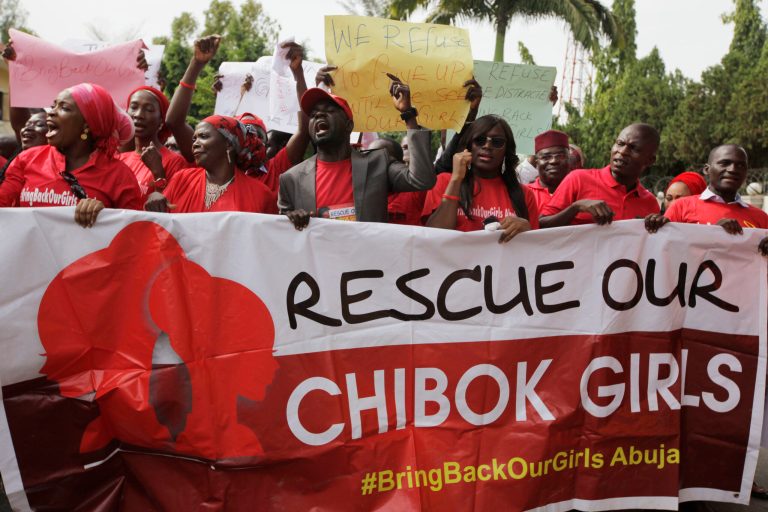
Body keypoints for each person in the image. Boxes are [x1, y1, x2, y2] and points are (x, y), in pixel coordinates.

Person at [279, 78, 435, 228]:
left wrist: (408, 115)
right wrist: (292, 219)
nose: (319, 115)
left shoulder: (378, 163)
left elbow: (421, 180)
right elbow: (280, 233)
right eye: (313, 115)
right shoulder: (291, 179)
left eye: (329, 111)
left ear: (349, 126)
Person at [165, 35, 310, 195]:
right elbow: (174, 122)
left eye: (258, 135)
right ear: (230, 143)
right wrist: (196, 64)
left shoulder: (276, 168)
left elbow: (303, 131)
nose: (251, 141)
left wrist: (298, 74)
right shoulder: (214, 166)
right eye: (243, 133)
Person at [0, 83, 142, 226]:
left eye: (64, 108)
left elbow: (133, 232)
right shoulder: (27, 159)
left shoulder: (119, 176)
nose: (51, 112)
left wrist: (106, 216)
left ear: (87, 124)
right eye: (54, 105)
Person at [423, 115, 538, 243]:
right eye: (480, 140)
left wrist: (527, 229)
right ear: (469, 145)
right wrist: (456, 179)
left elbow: (535, 248)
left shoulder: (525, 195)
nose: (487, 146)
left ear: (506, 150)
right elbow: (433, 237)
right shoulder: (444, 181)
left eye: (497, 142)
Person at [645, 145, 768, 256]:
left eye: (741, 165)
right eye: (725, 163)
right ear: (707, 169)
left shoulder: (761, 218)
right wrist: (713, 233)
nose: (732, 169)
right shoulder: (681, 207)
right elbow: (664, 253)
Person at [145, 115, 276, 214]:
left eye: (203, 136)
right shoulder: (181, 180)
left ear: (229, 143)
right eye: (194, 139)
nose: (195, 143)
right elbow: (161, 227)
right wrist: (155, 197)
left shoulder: (261, 196)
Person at [540, 123, 661, 227]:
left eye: (634, 148)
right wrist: (575, 208)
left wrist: (661, 226)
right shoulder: (578, 179)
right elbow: (540, 224)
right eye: (620, 143)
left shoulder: (650, 203)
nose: (622, 151)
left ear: (650, 160)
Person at [120, 86, 189, 201]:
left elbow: (174, 208)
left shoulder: (175, 163)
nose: (138, 115)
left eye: (149, 109)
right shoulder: (119, 160)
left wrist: (158, 174)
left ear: (161, 121)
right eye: (134, 107)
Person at [368, 136, 427, 226]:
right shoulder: (359, 191)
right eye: (368, 156)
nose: (372, 161)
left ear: (399, 163)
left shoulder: (417, 190)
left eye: (379, 157)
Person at [526, 130, 571, 212]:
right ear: (536, 163)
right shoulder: (524, 194)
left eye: (560, 156)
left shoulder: (581, 191)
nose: (554, 161)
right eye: (546, 157)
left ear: (569, 159)